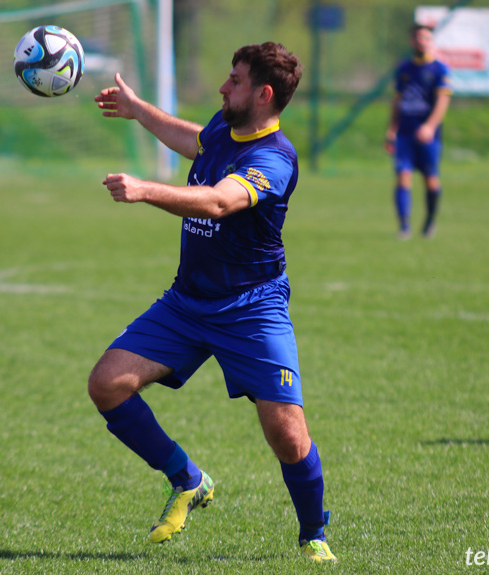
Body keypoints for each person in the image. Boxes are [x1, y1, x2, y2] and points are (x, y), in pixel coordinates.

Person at [88, 42, 337, 563]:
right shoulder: (226, 126)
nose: (224, 87)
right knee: (107, 384)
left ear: (263, 94)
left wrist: (144, 190)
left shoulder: (274, 158)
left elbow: (222, 201)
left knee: (287, 436)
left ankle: (313, 534)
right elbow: (194, 140)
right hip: (188, 301)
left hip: (252, 308)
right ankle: (188, 479)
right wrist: (138, 111)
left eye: (236, 80)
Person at [385, 24, 452, 240]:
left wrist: (430, 126)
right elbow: (397, 102)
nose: (421, 41)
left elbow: (442, 102)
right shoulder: (404, 69)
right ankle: (404, 227)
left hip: (427, 137)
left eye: (426, 37)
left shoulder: (439, 70)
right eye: (418, 37)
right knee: (403, 177)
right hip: (405, 133)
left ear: (431, 41)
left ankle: (430, 222)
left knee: (431, 180)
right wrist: (392, 128)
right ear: (411, 41)